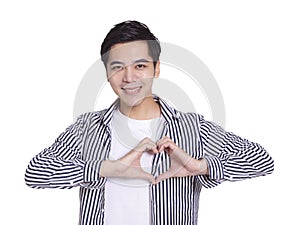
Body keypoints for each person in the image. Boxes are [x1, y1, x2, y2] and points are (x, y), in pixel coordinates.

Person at [25, 20, 274, 225]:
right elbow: (35, 172)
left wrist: (200, 167)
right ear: (107, 73)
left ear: (156, 69)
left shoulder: (192, 128)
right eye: (118, 67)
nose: (129, 77)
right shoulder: (87, 128)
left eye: (140, 66)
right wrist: (105, 169)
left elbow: (261, 160)